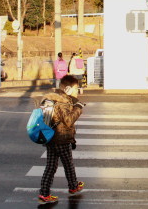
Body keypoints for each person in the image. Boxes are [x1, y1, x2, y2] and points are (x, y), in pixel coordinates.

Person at [37, 75, 85, 204]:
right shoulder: (62, 102)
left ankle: (44, 193)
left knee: (51, 166)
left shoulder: (51, 99)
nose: (78, 91)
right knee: (68, 165)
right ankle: (73, 187)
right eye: (76, 88)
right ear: (68, 89)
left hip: (51, 138)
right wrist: (78, 107)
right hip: (61, 139)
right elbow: (68, 121)